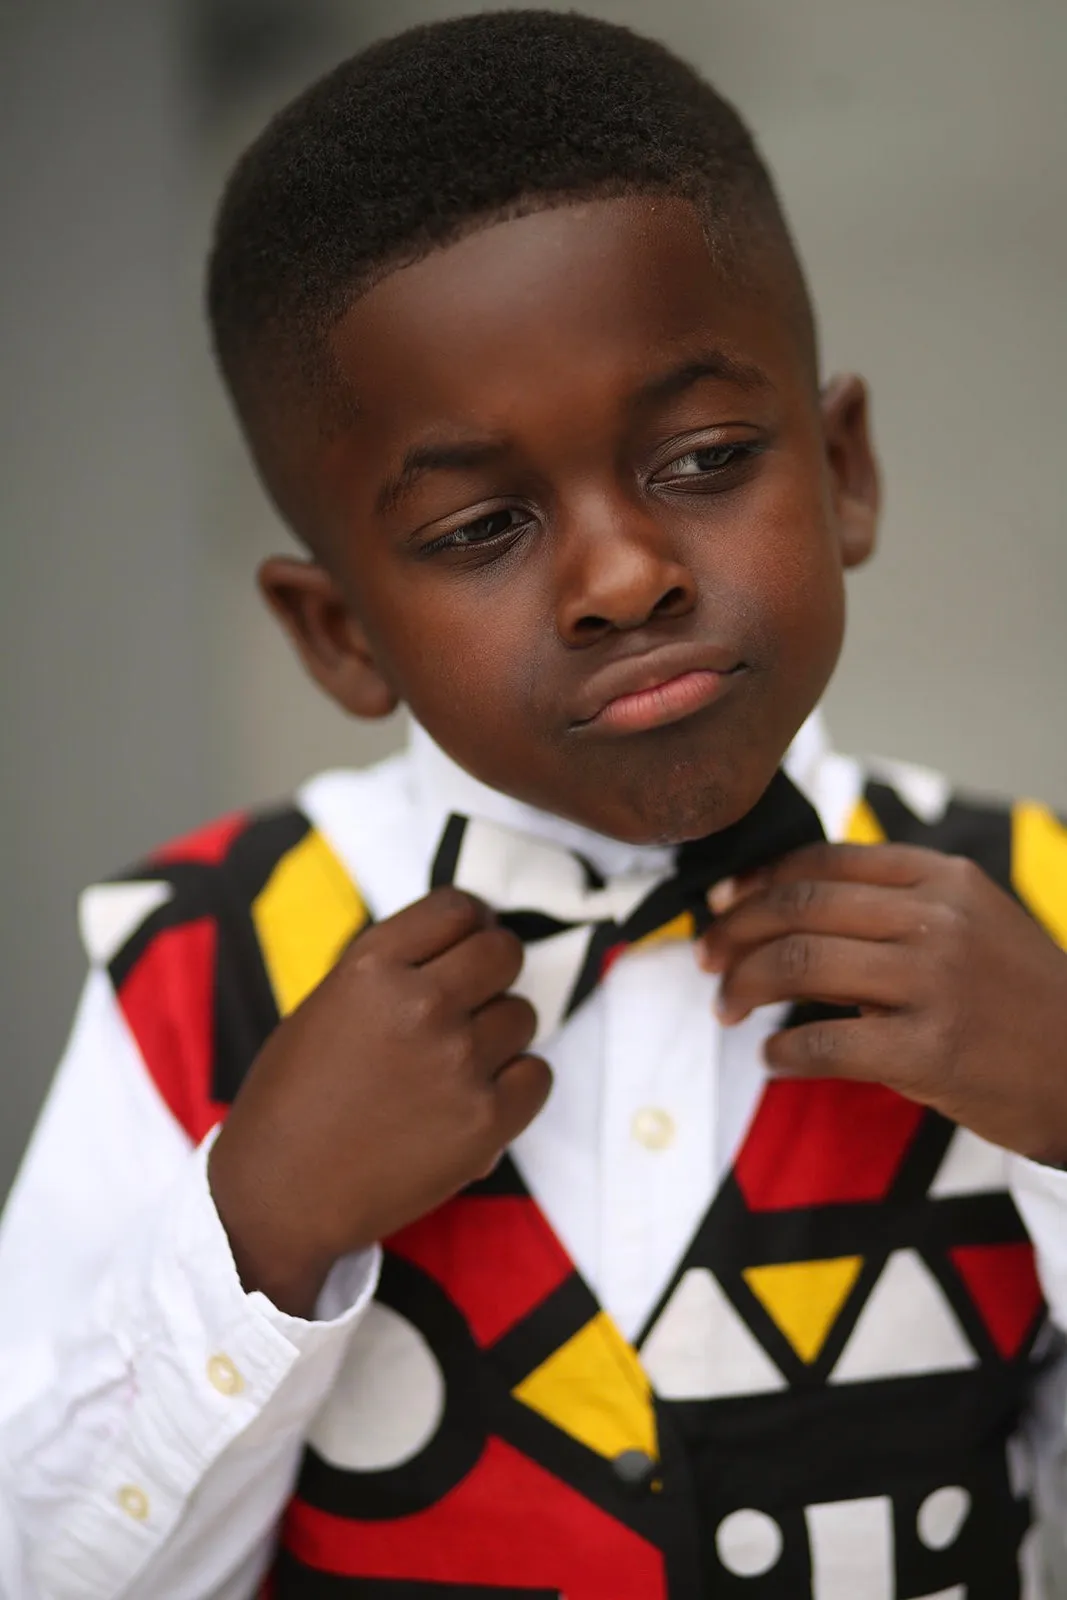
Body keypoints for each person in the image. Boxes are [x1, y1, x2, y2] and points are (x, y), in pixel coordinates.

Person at [1, 10, 1066, 1598]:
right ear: (339, 631)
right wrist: (256, 1235)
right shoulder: (193, 975)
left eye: (703, 457)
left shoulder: (1035, 916)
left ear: (841, 468)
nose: (623, 576)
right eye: (480, 526)